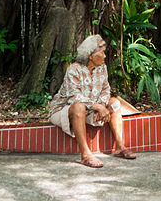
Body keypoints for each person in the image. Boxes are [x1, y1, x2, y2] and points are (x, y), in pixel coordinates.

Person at [49, 35, 139, 168]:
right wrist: (97, 106)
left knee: (114, 102)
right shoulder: (74, 70)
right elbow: (73, 97)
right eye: (101, 52)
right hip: (64, 111)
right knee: (79, 106)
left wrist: (102, 106)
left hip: (89, 110)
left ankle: (120, 147)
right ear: (90, 55)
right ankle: (85, 155)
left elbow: (105, 90)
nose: (104, 56)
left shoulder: (102, 68)